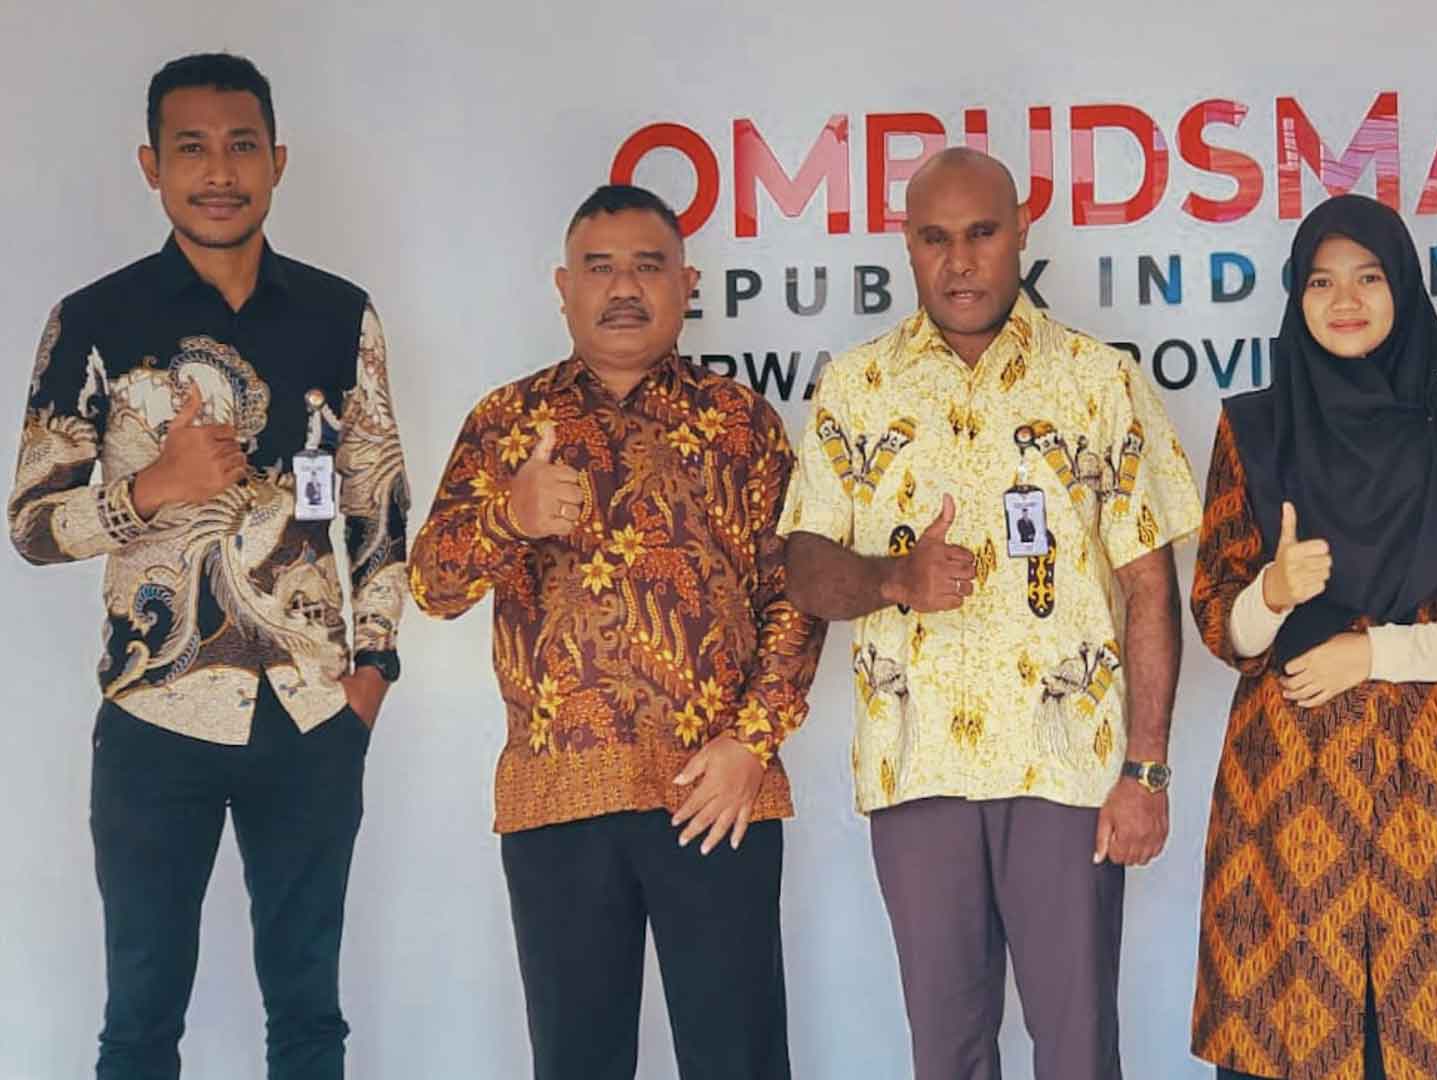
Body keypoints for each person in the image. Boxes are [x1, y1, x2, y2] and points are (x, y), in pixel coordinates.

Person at [7, 52, 410, 1079]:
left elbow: (376, 505)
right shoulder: (94, 321)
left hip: (311, 717)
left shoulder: (339, 314)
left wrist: (370, 672)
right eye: (191, 148)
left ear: (277, 161)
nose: (218, 171)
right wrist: (150, 489)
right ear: (152, 165)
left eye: (241, 146)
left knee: (310, 1017)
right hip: (155, 715)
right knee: (141, 1021)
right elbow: (31, 525)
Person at [779, 147, 1203, 1080]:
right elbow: (803, 569)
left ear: (1020, 234)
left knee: (1078, 1049)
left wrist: (1146, 770)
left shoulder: (1097, 380)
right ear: (907, 244)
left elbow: (1148, 586)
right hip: (917, 766)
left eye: (981, 234)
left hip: (1067, 769)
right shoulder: (857, 386)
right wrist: (894, 577)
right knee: (947, 1053)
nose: (960, 261)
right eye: (935, 238)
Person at [409, 183, 824, 1080]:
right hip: (557, 796)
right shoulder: (506, 423)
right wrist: (509, 516)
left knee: (740, 1059)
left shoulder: (742, 423)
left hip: (716, 791)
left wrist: (751, 744)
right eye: (599, 268)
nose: (624, 288)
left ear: (687, 284)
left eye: (647, 266)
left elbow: (796, 598)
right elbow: (432, 586)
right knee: (577, 1061)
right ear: (563, 288)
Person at [1188, 194, 1437, 1080]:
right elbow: (1216, 618)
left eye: (1368, 277)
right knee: (1280, 1037)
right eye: (1320, 282)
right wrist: (1271, 593)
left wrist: (1377, 654)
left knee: (1423, 1041)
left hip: (1426, 783)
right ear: (1296, 297)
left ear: (1404, 290)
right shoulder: (1254, 428)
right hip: (1285, 787)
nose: (1344, 299)